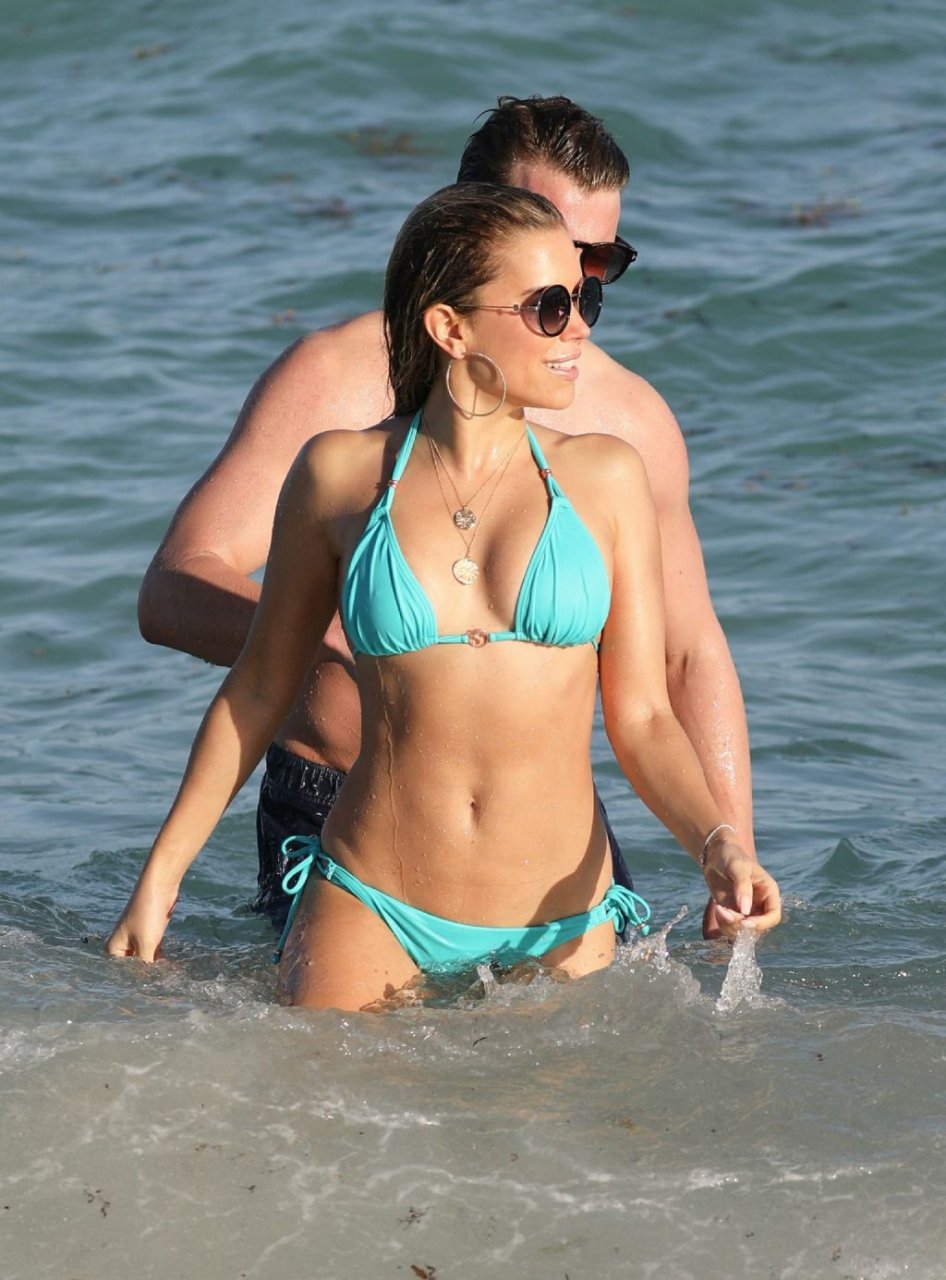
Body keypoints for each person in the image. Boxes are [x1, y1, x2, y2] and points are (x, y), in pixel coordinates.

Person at [107, 184, 781, 1009]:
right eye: (550, 306)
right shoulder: (338, 475)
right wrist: (160, 879)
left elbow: (641, 717)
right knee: (315, 1093)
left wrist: (719, 844)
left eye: (587, 301)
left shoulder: (607, 479)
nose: (579, 327)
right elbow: (257, 689)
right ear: (450, 328)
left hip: (558, 917)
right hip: (371, 898)